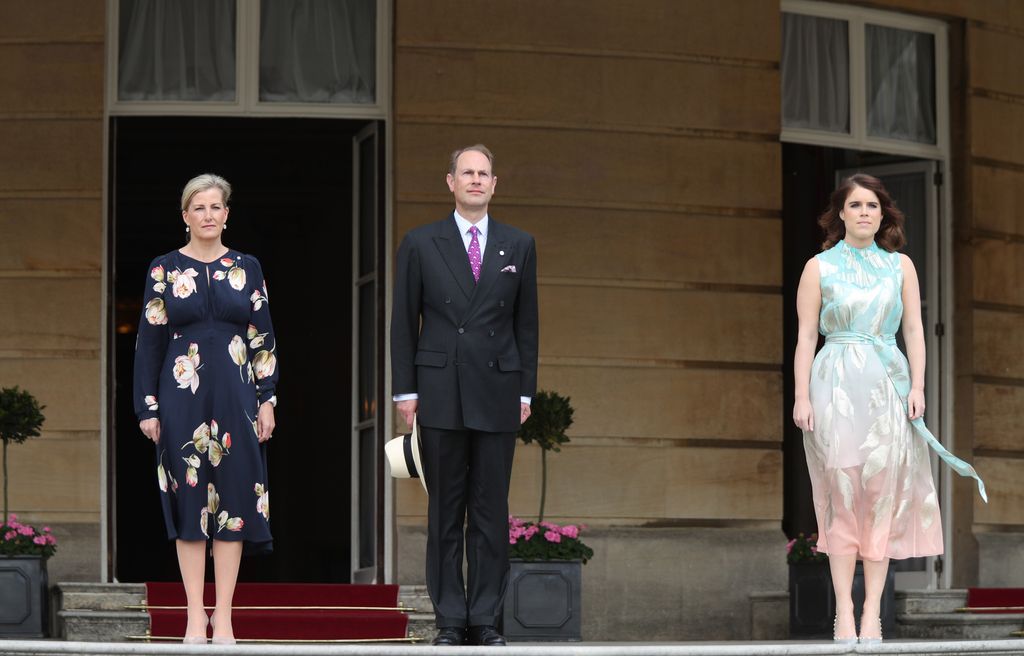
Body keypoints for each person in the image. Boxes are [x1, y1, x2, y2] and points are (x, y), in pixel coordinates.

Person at [793, 173, 985, 644]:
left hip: (887, 385)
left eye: (872, 206)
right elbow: (805, 337)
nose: (864, 213)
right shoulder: (819, 267)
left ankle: (872, 613)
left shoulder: (901, 266)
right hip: (834, 382)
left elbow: (915, 332)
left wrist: (917, 386)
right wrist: (801, 395)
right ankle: (843, 612)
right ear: (840, 213)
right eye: (855, 205)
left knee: (879, 495)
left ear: (883, 215)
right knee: (841, 492)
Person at [391, 144, 538, 646]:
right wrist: (405, 391)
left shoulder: (519, 244)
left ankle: (486, 620)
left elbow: (527, 324)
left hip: (498, 388)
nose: (475, 180)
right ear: (449, 182)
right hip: (439, 392)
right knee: (445, 514)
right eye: (466, 173)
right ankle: (451, 620)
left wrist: (525, 392)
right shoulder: (419, 242)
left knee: (492, 514)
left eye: (484, 173)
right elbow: (403, 323)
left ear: (494, 184)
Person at [134, 173, 278, 644]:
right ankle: (195, 614)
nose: (208, 215)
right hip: (181, 397)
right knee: (191, 500)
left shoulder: (248, 266)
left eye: (216, 207)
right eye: (199, 208)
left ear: (226, 214)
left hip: (237, 397)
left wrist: (268, 399)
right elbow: (148, 345)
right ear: (185, 216)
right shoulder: (164, 269)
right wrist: (147, 408)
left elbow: (262, 339)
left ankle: (225, 615)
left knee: (234, 504)